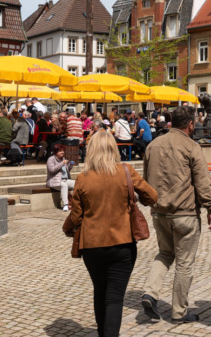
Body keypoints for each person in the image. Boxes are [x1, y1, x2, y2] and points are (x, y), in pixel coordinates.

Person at [62, 130, 157, 337]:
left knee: (100, 291)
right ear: (113, 148)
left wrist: (66, 227)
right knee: (114, 297)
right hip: (123, 243)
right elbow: (152, 196)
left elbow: (76, 216)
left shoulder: (84, 178)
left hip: (92, 245)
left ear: (91, 150)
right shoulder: (126, 171)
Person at [141, 105, 211, 324]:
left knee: (164, 254)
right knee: (184, 263)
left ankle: (150, 293)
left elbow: (146, 179)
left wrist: (151, 203)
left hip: (159, 212)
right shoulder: (191, 146)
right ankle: (178, 312)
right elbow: (203, 184)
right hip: (184, 213)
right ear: (191, 124)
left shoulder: (153, 145)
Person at [47, 144, 75, 211]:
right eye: (60, 151)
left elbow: (67, 171)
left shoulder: (63, 159)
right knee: (64, 185)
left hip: (65, 179)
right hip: (55, 181)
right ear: (55, 152)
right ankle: (65, 204)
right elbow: (51, 170)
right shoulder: (51, 159)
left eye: (63, 151)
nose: (62, 152)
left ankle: (73, 202)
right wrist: (62, 163)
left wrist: (70, 165)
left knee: (78, 183)